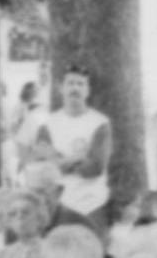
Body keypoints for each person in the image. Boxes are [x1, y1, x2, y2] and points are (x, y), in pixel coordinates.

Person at [24, 67, 117, 229]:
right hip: (60, 205)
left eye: (81, 84)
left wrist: (56, 157)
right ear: (61, 88)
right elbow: (44, 168)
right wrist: (77, 157)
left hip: (93, 204)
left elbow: (94, 168)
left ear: (88, 90)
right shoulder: (48, 124)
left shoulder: (100, 123)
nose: (75, 88)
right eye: (70, 83)